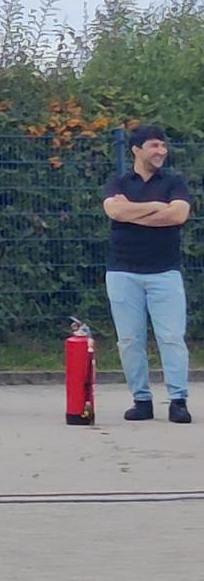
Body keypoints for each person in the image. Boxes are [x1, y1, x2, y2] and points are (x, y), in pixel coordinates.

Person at [102, 124, 192, 424]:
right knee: (129, 340)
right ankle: (141, 399)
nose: (161, 151)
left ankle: (178, 400)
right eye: (154, 146)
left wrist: (135, 212)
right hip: (122, 272)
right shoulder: (118, 182)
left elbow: (178, 214)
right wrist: (155, 208)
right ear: (136, 150)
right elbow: (114, 212)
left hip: (165, 272)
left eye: (163, 146)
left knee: (171, 337)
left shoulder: (175, 182)